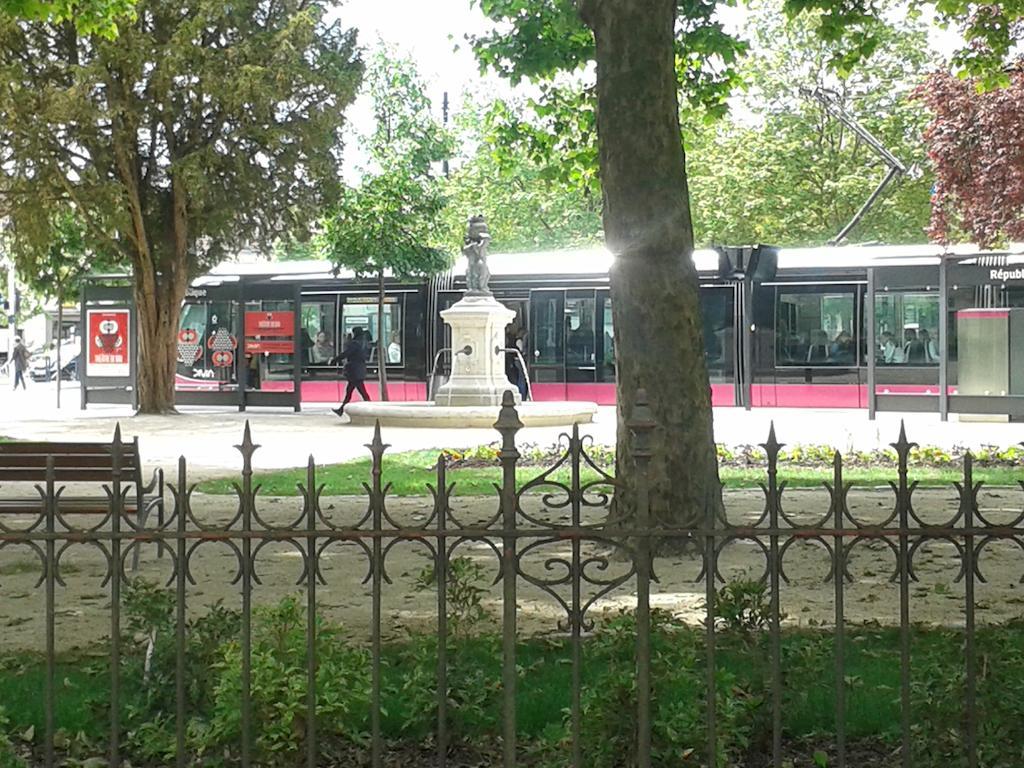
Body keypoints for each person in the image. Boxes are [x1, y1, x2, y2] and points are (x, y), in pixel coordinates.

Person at [332, 327, 371, 416]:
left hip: (354, 371)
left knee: (360, 392)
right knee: (352, 391)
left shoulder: (355, 344)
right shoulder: (364, 343)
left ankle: (371, 408)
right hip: (359, 369)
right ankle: (341, 409)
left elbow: (346, 353)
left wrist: (335, 360)